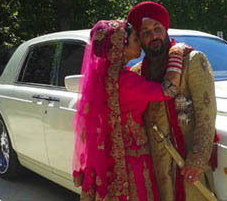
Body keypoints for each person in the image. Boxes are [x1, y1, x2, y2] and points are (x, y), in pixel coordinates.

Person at [72, 19, 188, 201]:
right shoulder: (126, 81)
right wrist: (176, 54)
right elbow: (169, 90)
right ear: (121, 47)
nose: (141, 43)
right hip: (131, 159)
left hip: (105, 160)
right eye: (135, 40)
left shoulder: (99, 80)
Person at [127, 1, 218, 201]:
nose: (153, 36)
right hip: (154, 167)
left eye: (157, 29)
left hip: (187, 164)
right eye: (146, 33)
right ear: (140, 39)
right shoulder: (137, 74)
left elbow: (207, 115)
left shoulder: (192, 61)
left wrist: (198, 159)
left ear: (165, 29)